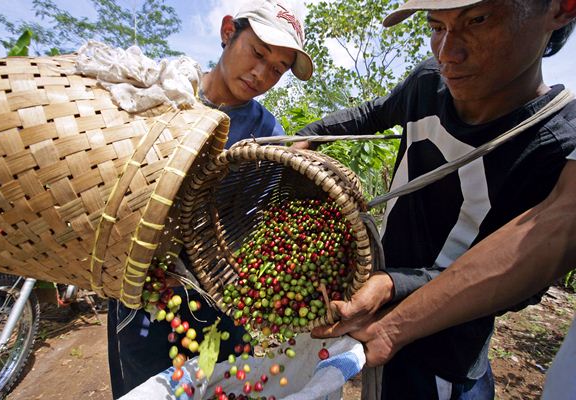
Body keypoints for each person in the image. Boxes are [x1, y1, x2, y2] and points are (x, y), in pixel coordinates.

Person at [295, 0, 576, 398]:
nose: (448, 53)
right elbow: (374, 113)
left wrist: (394, 285)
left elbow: (521, 275)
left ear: (560, 9)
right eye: (436, 26)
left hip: (445, 356)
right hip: (372, 324)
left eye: (477, 20)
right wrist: (310, 134)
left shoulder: (555, 141)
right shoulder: (430, 82)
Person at [106, 1, 313, 398]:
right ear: (226, 32)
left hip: (217, 297)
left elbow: (252, 224)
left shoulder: (267, 133)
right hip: (144, 297)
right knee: (149, 387)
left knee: (225, 384)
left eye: (276, 69)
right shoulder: (167, 96)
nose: (260, 74)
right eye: (257, 53)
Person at [314, 148, 576, 398]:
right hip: (393, 338)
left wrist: (393, 311)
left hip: (448, 353)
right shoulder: (422, 100)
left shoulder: (555, 135)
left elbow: (540, 256)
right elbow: (369, 114)